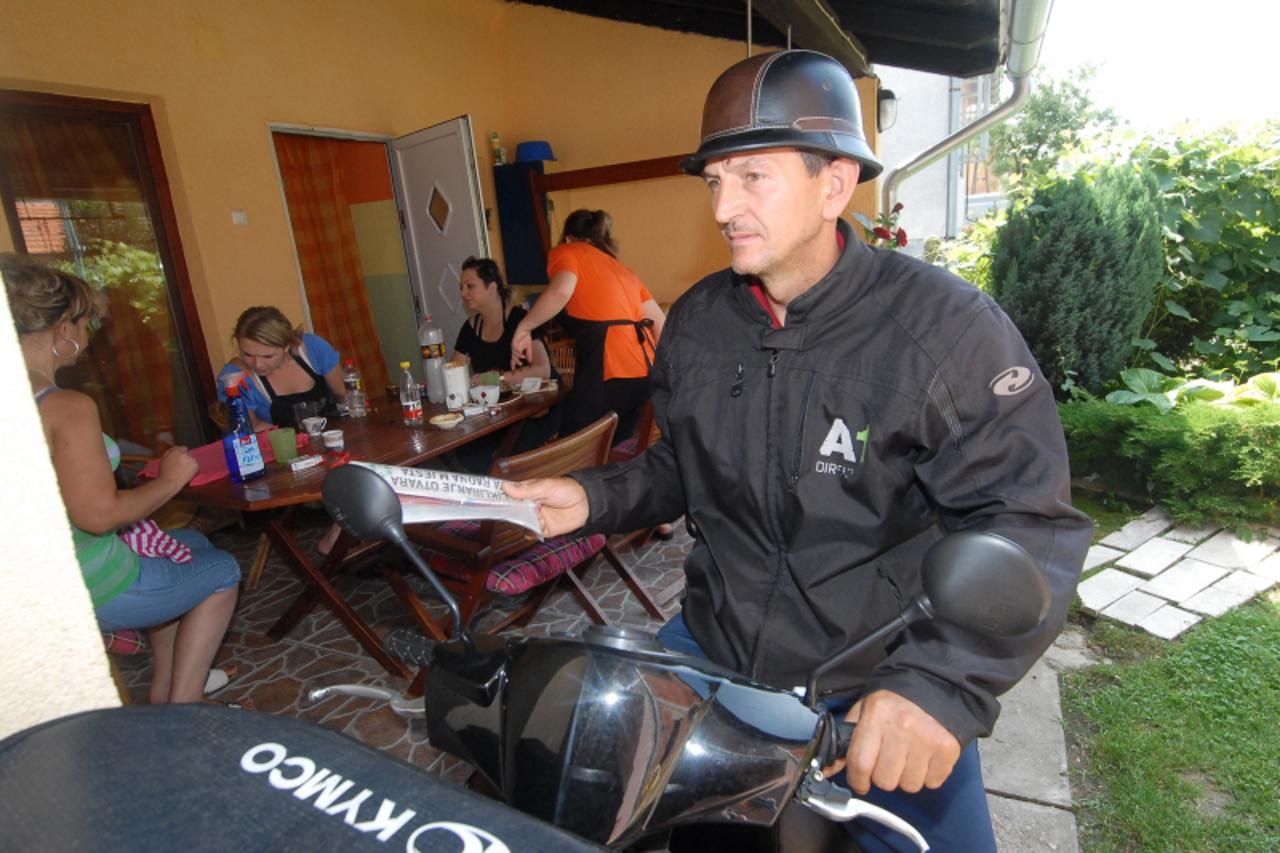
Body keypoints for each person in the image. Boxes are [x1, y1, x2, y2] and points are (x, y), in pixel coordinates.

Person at [505, 50, 1092, 852]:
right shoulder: (699, 324)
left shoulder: (946, 331)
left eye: (752, 177)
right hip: (720, 654)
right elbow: (684, 464)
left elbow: (1029, 525)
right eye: (714, 181)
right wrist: (592, 498)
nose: (722, 206)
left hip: (879, 687)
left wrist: (938, 684)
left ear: (835, 184)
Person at [4, 253, 242, 706]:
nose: (86, 335)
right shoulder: (65, 407)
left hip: (35, 576)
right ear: (60, 332)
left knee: (193, 544)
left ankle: (162, 689)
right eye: (83, 324)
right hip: (89, 581)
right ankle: (185, 707)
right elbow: (100, 516)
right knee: (222, 571)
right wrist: (171, 480)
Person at [510, 209, 665, 441]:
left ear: (569, 238)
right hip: (644, 375)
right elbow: (661, 324)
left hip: (607, 371)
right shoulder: (622, 269)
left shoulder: (566, 250)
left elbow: (562, 289)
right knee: (610, 447)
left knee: (571, 448)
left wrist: (524, 326)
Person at [217, 306, 346, 430]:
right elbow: (249, 428)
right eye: (247, 354)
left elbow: (342, 396)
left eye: (268, 356)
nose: (257, 364)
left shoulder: (314, 348)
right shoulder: (234, 376)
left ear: (286, 346)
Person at [454, 256, 551, 386]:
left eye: (470, 286)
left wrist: (496, 378)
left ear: (492, 288)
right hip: (501, 404)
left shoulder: (520, 319)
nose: (463, 293)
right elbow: (453, 373)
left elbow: (544, 371)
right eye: (461, 287)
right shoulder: (470, 328)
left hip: (541, 401)